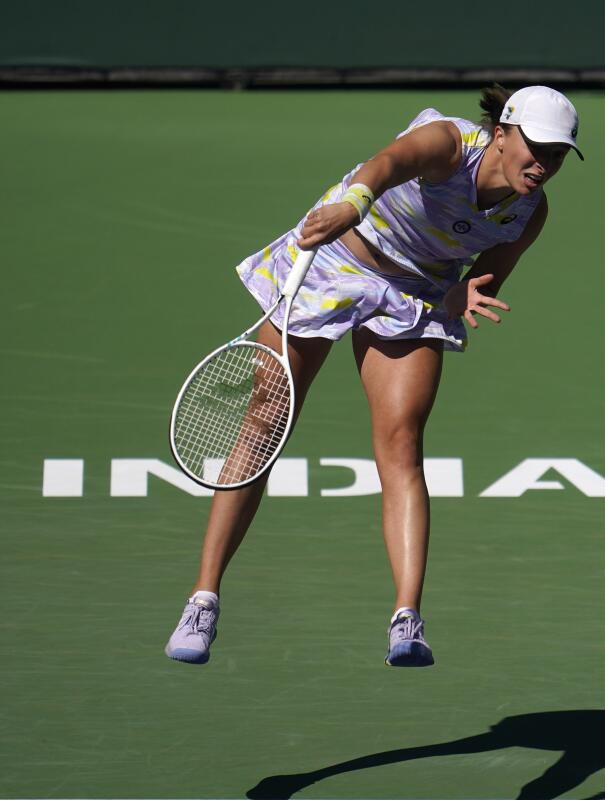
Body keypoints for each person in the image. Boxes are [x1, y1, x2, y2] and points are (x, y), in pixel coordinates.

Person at [164, 85, 583, 667]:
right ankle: (203, 599)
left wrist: (458, 295)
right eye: (536, 148)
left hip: (414, 294)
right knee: (265, 420)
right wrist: (353, 203)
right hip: (339, 254)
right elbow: (385, 165)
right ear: (504, 132)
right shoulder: (449, 144)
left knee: (402, 442)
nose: (544, 165)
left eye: (559, 156)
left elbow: (482, 285)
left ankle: (406, 618)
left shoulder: (528, 213)